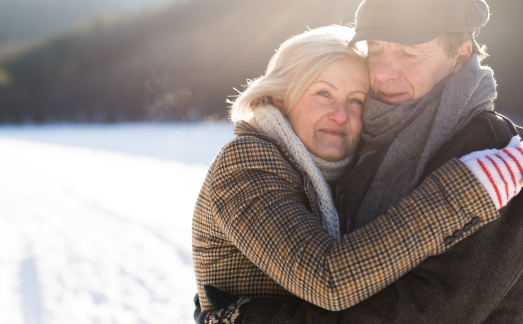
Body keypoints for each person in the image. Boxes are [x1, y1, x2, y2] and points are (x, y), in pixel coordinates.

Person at [192, 21, 523, 322]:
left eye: (356, 100)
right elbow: (327, 279)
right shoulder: (246, 163)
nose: (340, 114)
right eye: (324, 93)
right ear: (280, 98)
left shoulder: (340, 175)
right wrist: (469, 188)